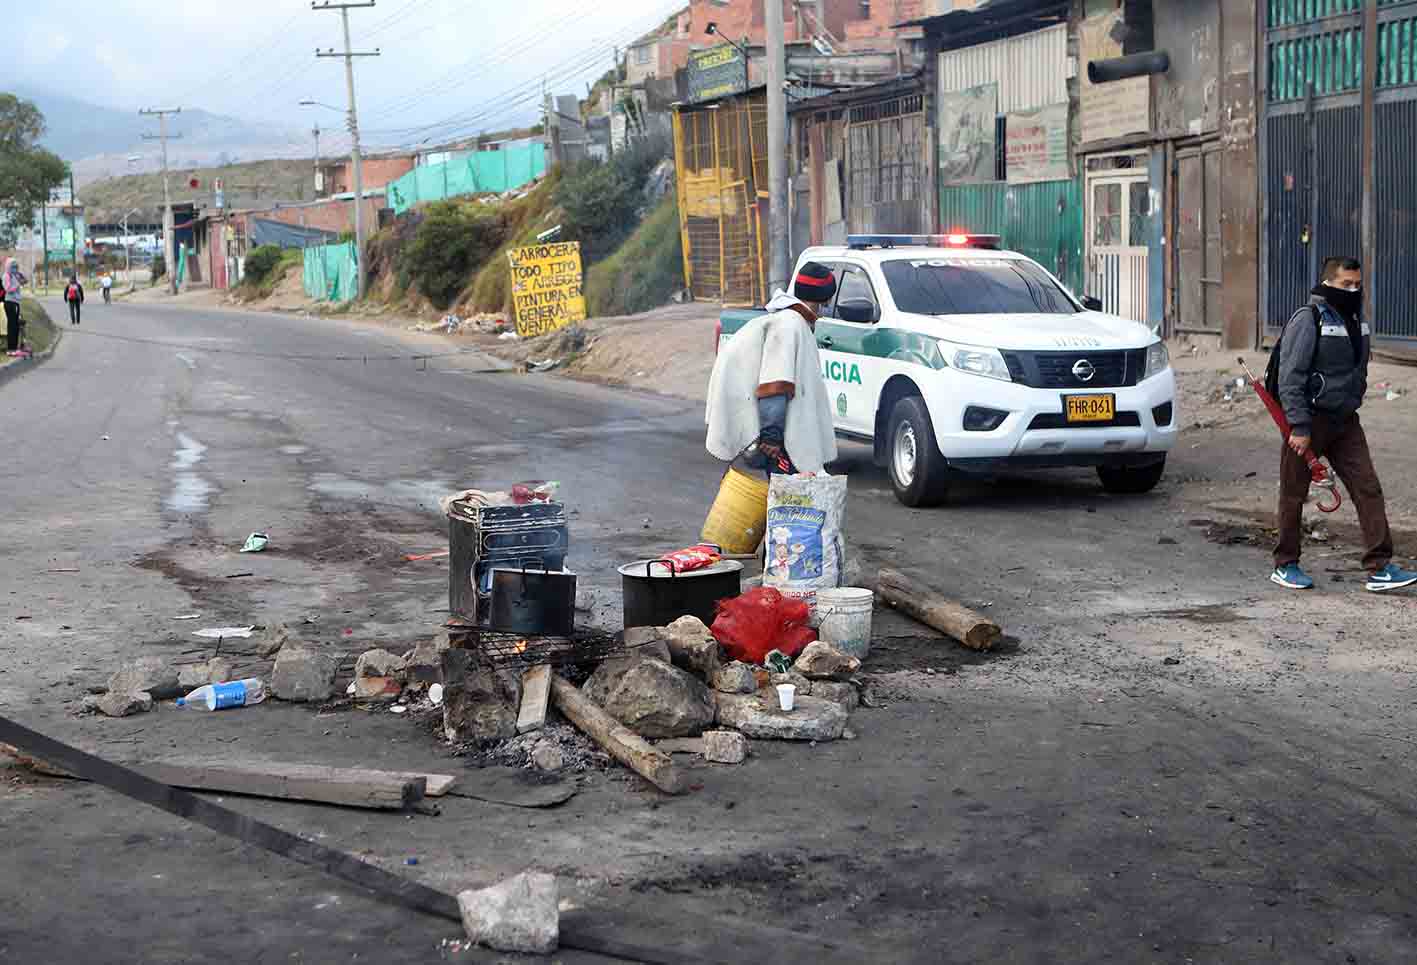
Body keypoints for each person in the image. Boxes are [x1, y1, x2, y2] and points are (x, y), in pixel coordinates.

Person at [1270, 256, 1417, 593]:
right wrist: (1299, 427)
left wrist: (1354, 400)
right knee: (1294, 493)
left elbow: (1359, 369)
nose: (1353, 290)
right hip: (1309, 421)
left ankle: (1380, 567)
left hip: (1345, 422)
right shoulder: (1308, 319)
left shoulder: (1358, 320)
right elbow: (1291, 377)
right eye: (1345, 284)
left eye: (1357, 284)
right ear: (1327, 284)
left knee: (1368, 487)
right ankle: (1285, 564)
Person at [705, 262, 839, 475]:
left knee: (785, 503)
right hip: (783, 439)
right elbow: (775, 384)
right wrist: (772, 436)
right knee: (788, 503)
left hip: (784, 434)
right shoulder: (790, 325)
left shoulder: (793, 322)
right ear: (825, 298)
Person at [3, 258, 26, 351]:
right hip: (10, 302)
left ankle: (15, 347)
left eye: (16, 266)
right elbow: (8, 289)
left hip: (16, 302)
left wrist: (21, 278)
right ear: (8, 266)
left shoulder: (15, 275)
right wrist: (18, 285)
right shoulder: (6, 275)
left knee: (16, 325)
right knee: (12, 325)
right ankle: (11, 348)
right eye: (13, 266)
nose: (15, 268)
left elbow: (24, 281)